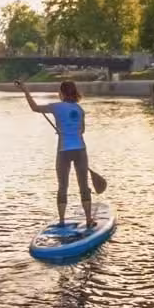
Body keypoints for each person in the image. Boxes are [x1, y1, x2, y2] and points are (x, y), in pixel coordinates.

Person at [23, 79, 95, 229]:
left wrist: (25, 90)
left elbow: (34, 107)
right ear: (74, 92)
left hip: (64, 151)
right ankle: (88, 219)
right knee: (84, 186)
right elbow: (81, 131)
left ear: (61, 93)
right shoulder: (80, 109)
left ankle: (62, 221)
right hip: (80, 149)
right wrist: (68, 130)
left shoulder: (56, 107)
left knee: (63, 186)